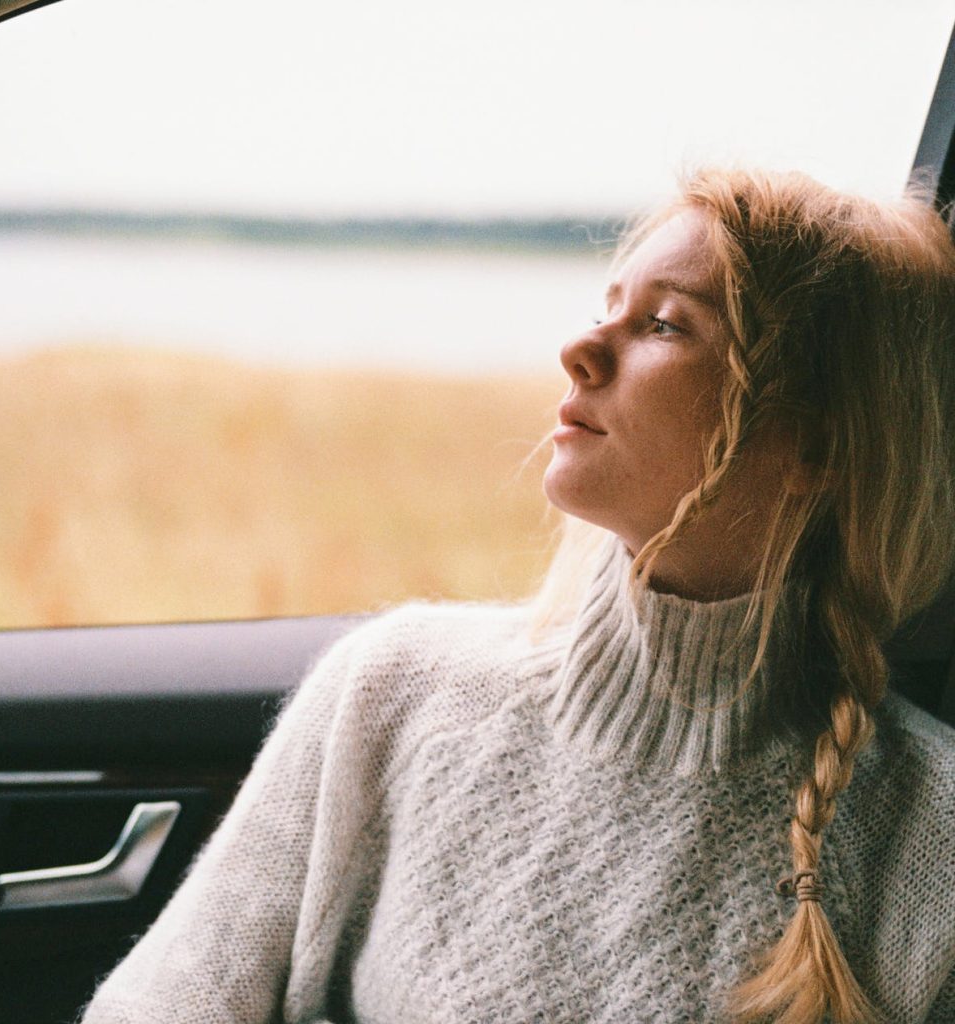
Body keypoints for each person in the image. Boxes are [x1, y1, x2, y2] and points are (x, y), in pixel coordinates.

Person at [80, 168, 955, 1024]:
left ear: (816, 442)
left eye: (662, 324)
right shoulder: (395, 688)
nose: (580, 351)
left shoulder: (930, 836)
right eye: (603, 308)